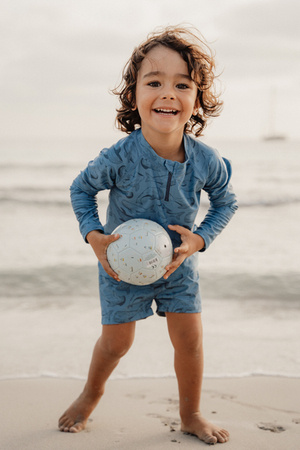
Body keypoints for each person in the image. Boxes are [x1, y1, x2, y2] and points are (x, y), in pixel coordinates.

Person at [58, 26, 238, 445]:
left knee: (189, 340)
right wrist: (94, 236)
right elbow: (81, 189)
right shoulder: (118, 157)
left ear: (197, 99)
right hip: (120, 265)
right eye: (154, 82)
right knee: (117, 343)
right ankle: (91, 393)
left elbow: (226, 203)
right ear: (133, 95)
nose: (167, 93)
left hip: (178, 266)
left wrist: (199, 240)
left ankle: (191, 413)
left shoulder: (206, 161)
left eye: (182, 84)